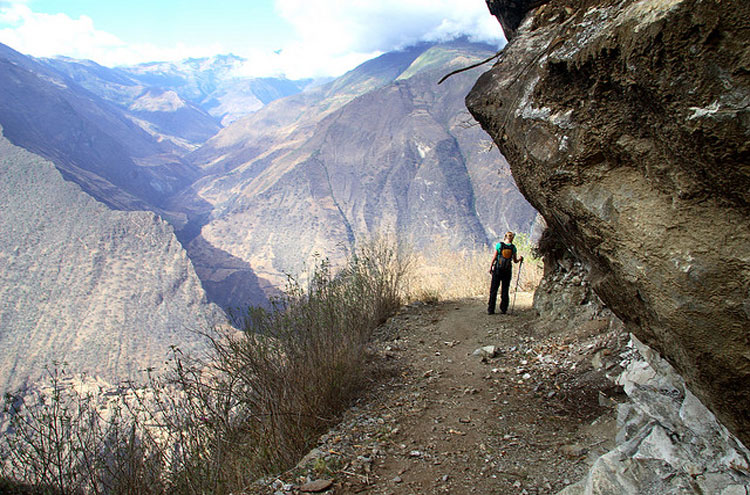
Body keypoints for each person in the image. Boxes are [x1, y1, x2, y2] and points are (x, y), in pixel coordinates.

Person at [488, 231, 523, 314]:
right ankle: (504, 309)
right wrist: (520, 259)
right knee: (505, 289)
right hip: (507, 271)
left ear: (505, 237)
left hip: (497, 269)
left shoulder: (499, 245)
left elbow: (495, 257)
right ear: (512, 238)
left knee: (494, 289)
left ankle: (491, 309)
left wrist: (490, 267)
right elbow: (515, 261)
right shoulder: (513, 248)